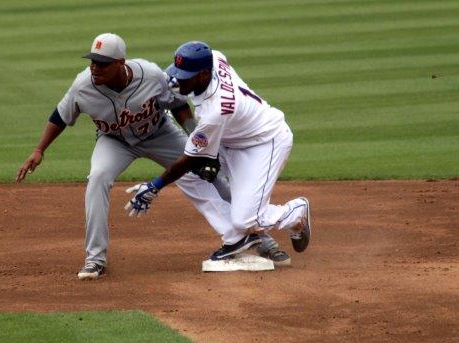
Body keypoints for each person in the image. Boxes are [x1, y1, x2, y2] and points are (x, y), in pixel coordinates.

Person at [17, 34, 289, 279]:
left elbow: (179, 105)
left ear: (120, 63)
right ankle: (95, 259)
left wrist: (197, 143)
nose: (95, 68)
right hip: (114, 141)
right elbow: (59, 116)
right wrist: (39, 150)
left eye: (102, 63)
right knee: (98, 178)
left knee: (208, 174)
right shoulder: (82, 86)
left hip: (160, 133)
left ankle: (261, 239)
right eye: (93, 62)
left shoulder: (150, 74)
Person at [124, 41, 311, 261]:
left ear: (204, 74)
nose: (179, 80)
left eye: (185, 76)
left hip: (264, 142)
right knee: (191, 176)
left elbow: (191, 158)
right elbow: (185, 81)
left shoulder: (216, 110)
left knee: (247, 220)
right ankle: (234, 238)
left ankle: (295, 212)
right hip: (231, 138)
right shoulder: (213, 57)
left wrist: (155, 186)